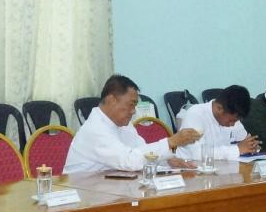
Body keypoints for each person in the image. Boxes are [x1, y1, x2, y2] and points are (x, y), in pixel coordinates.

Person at [64, 75, 200, 174]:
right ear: (111, 100)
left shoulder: (123, 124)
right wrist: (171, 142)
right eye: (131, 105)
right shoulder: (95, 129)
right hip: (84, 194)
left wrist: (167, 160)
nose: (133, 111)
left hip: (109, 188)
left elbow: (141, 150)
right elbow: (130, 161)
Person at [174, 85, 260, 162]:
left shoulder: (232, 115)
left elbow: (243, 139)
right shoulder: (195, 114)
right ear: (219, 108)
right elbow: (198, 154)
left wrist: (251, 146)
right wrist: (237, 149)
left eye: (236, 121)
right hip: (189, 169)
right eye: (231, 120)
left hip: (221, 169)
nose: (233, 125)